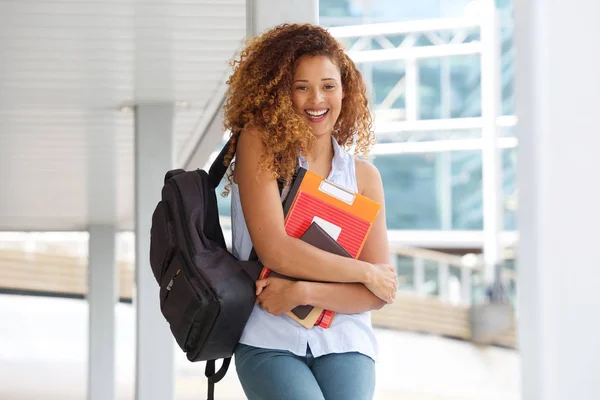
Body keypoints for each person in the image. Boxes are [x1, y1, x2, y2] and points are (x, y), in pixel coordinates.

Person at [222, 23, 397, 400]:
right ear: (279, 93)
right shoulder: (258, 145)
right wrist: (364, 272)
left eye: (328, 85)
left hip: (346, 342)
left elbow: (378, 294)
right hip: (268, 336)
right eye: (301, 86)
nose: (316, 99)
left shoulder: (365, 178)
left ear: (345, 91)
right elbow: (275, 249)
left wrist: (303, 291)